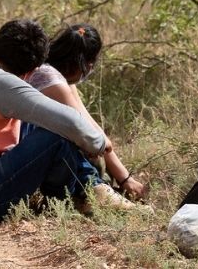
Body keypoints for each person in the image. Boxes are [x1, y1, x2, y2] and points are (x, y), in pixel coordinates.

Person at [0, 18, 141, 225]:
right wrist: (99, 144)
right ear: (30, 71)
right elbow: (71, 123)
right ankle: (78, 196)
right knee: (56, 136)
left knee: (40, 125)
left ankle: (83, 192)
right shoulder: (2, 82)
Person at [27, 24, 148, 201]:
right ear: (87, 63)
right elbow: (87, 132)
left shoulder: (55, 75)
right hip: (35, 156)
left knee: (94, 152)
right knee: (83, 150)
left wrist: (126, 179)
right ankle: (92, 193)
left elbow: (90, 123)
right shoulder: (51, 81)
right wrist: (125, 179)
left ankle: (102, 188)